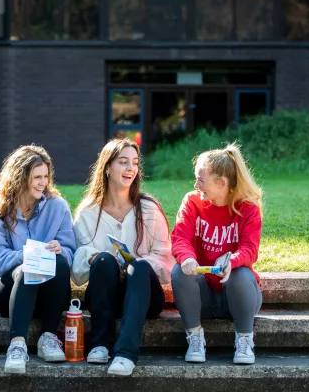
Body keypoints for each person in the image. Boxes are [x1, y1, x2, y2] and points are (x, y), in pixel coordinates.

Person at [71, 138, 175, 376]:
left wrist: (134, 264)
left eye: (135, 163)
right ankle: (100, 344)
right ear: (107, 167)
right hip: (107, 294)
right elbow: (77, 267)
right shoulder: (88, 213)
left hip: (144, 295)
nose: (131, 168)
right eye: (123, 162)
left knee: (138, 266)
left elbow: (166, 259)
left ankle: (125, 354)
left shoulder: (148, 208)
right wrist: (96, 256)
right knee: (103, 260)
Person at [0, 145, 76, 374]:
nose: (42, 183)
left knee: (59, 262)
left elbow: (71, 254)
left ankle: (49, 337)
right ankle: (17, 345)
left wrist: (61, 250)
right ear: (20, 178)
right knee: (26, 269)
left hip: (49, 293)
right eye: (36, 177)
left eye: (45, 177)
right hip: (9, 290)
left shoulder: (58, 207)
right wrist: (29, 255)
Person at [171, 143, 263, 365]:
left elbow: (250, 249)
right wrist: (188, 258)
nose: (196, 184)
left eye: (201, 180)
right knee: (179, 272)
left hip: (238, 297)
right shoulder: (192, 202)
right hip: (202, 297)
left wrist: (232, 261)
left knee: (240, 275)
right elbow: (180, 238)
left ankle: (244, 340)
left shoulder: (248, 208)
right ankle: (195, 337)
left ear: (221, 183)